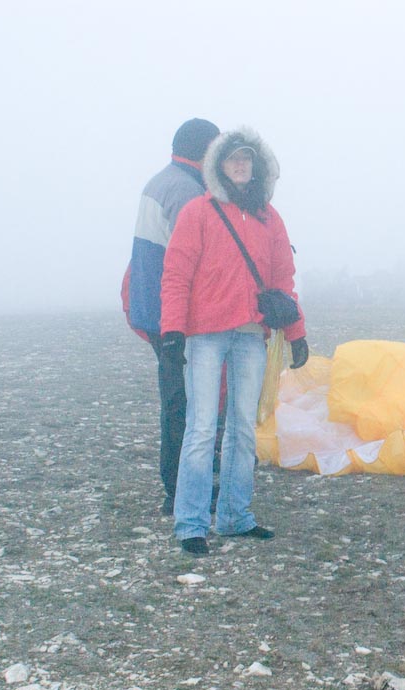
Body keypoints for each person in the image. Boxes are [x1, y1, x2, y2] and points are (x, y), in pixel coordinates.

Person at [160, 127, 309, 556]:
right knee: (202, 427)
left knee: (243, 429)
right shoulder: (198, 212)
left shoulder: (270, 218)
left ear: (257, 167)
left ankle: (234, 517)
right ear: (219, 166)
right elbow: (176, 275)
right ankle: (191, 523)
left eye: (247, 159)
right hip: (205, 335)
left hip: (250, 336)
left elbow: (283, 281)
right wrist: (173, 331)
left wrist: (296, 333)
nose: (241, 166)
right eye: (232, 159)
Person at [124, 118, 220, 515]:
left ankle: (178, 484)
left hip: (152, 309)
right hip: (175, 318)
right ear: (205, 151)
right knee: (187, 404)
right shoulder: (187, 192)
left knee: (176, 401)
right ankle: (181, 489)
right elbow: (193, 263)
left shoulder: (159, 181)